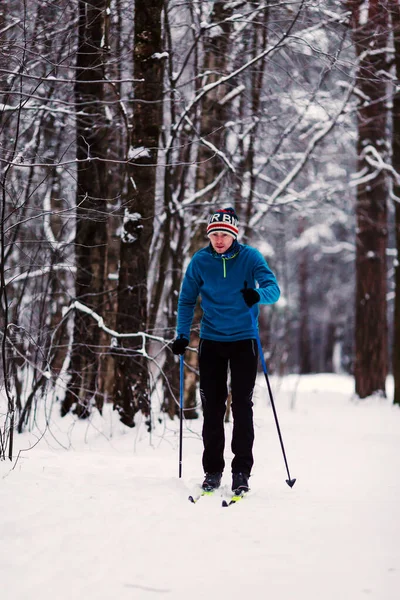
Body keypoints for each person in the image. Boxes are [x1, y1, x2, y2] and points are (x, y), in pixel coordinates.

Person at [171, 207, 280, 494]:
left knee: (242, 406)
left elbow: (273, 289)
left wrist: (258, 294)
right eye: (214, 234)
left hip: (244, 340)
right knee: (213, 408)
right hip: (212, 341)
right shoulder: (200, 261)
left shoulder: (250, 257)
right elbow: (186, 301)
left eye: (224, 234)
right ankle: (212, 471)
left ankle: (241, 471)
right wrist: (182, 336)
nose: (219, 239)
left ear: (234, 235)